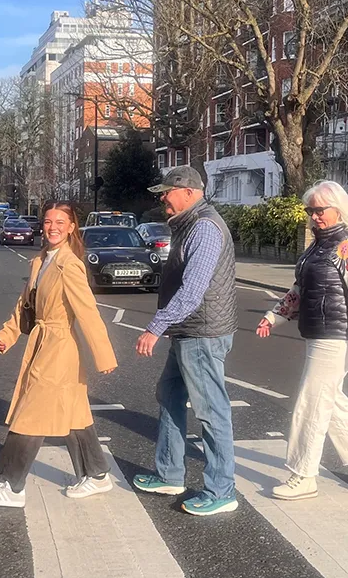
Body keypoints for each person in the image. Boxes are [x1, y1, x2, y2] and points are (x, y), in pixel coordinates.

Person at [256, 180, 348, 499]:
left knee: (311, 403)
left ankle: (303, 475)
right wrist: (274, 315)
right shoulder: (318, 246)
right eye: (311, 210)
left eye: (321, 210)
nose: (315, 216)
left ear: (339, 209)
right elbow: (300, 290)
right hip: (320, 332)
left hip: (338, 336)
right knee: (329, 402)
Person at [0, 202, 118, 508]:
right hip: (45, 342)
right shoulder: (41, 260)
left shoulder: (69, 265)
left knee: (31, 414)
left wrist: (103, 354)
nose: (52, 226)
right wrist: (7, 334)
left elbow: (88, 312)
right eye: (48, 221)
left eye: (60, 222)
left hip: (59, 348)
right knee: (75, 414)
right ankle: (96, 475)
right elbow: (24, 304)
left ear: (71, 227)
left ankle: (11, 486)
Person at [133, 166, 239, 516]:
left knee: (211, 413)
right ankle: (169, 474)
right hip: (190, 331)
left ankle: (222, 490)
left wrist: (155, 326)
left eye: (167, 191)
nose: (162, 197)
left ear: (190, 193)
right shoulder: (190, 224)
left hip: (201, 333)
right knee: (170, 395)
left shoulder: (204, 228)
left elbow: (193, 291)